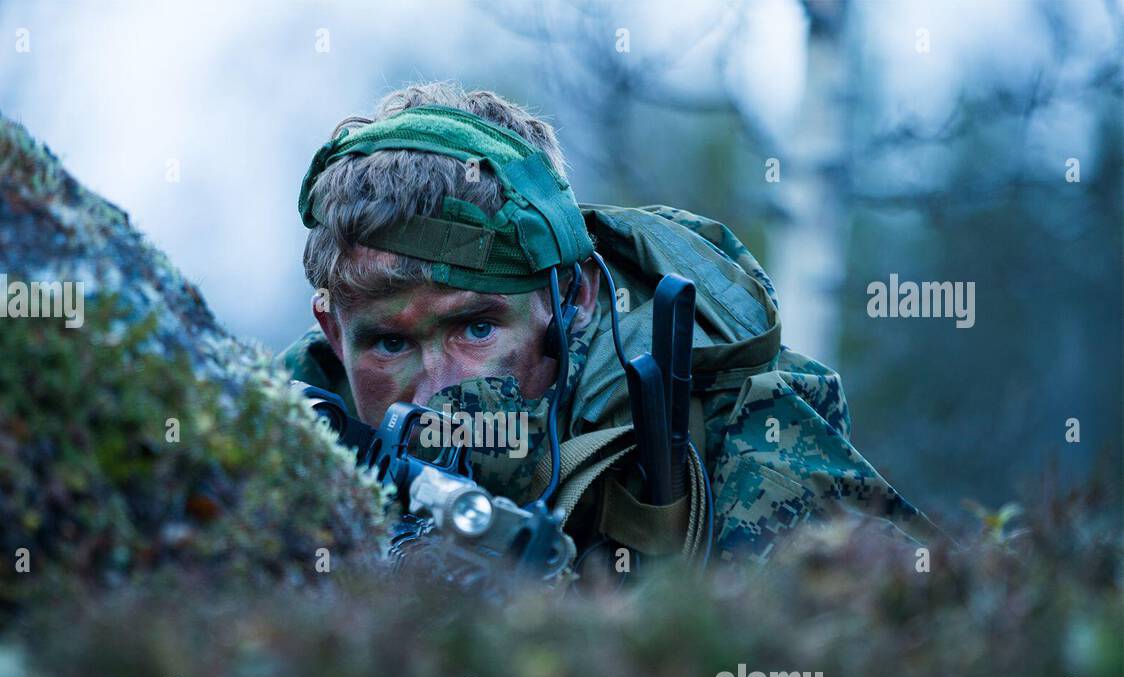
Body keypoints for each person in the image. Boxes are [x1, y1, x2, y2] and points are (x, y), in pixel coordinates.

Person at [280, 82, 932, 568]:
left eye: (474, 329)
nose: (432, 396)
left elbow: (906, 648)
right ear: (334, 335)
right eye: (389, 343)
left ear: (574, 298)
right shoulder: (269, 446)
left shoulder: (730, 436)